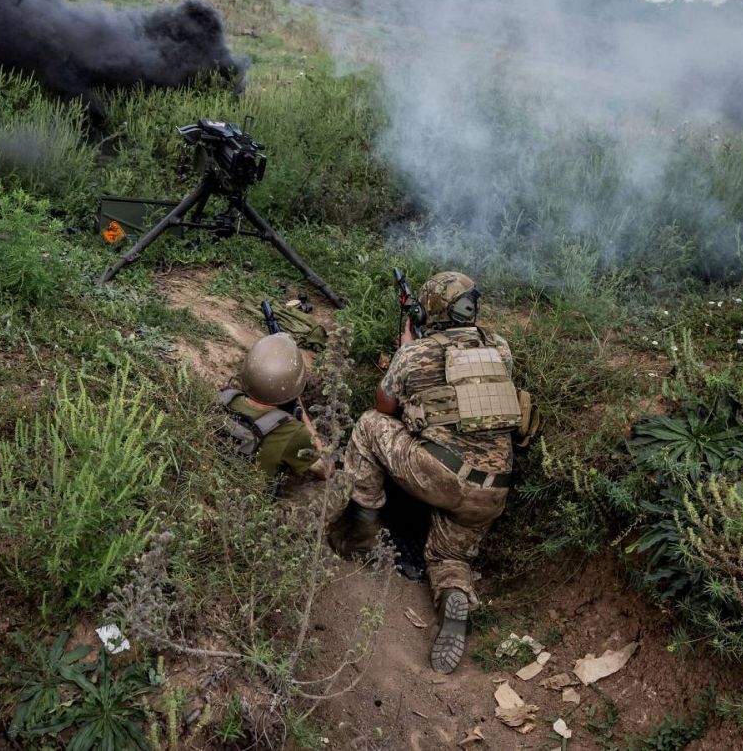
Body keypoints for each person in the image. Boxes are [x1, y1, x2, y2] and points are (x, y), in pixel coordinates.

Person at [337, 271, 536, 674]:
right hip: (492, 489)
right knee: (447, 554)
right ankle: (454, 592)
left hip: (441, 476)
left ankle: (359, 533)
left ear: (432, 310)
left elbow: (384, 407)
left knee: (367, 427)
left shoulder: (414, 354)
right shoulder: (500, 348)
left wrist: (405, 351)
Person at [219, 333, 333, 501]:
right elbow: (327, 470)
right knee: (338, 485)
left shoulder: (226, 398)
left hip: (215, 486)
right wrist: (304, 419)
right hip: (248, 507)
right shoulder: (293, 431)